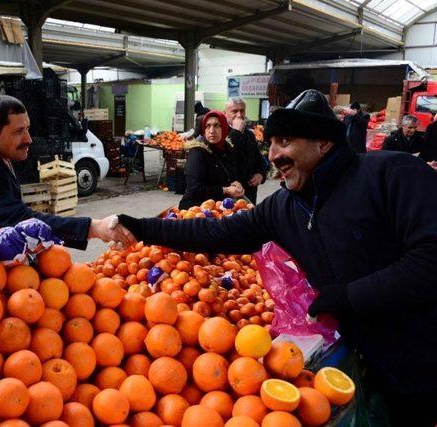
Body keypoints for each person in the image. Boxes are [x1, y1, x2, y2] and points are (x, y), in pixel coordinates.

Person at [117, 89, 437, 427]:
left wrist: (347, 297)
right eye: (270, 144)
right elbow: (216, 233)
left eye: (284, 141)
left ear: (323, 143)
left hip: (423, 357)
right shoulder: (284, 207)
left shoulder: (391, 174)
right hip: (363, 362)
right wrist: (140, 228)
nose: (273, 155)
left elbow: (431, 258)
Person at [0, 95, 132, 249]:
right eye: (18, 132)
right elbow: (21, 220)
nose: (29, 139)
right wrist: (94, 227)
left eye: (28, 129)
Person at [178, 110, 244, 210]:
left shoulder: (227, 149)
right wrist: (225, 190)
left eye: (217, 125)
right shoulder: (198, 152)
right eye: (207, 126)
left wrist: (236, 184)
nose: (211, 130)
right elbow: (194, 189)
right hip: (196, 209)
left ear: (225, 128)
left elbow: (229, 175)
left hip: (218, 207)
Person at [224, 97, 268, 204]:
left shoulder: (249, 134)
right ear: (225, 113)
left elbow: (259, 159)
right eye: (234, 111)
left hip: (249, 190)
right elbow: (225, 154)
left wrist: (260, 174)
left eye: (242, 111)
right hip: (230, 192)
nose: (239, 115)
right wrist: (235, 131)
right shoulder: (220, 133)